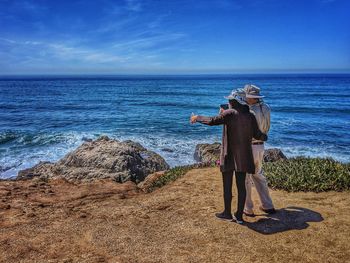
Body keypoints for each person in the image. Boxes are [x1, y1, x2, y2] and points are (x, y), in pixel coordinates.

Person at [190, 91, 267, 224]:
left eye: (230, 100)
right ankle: (239, 216)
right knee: (241, 186)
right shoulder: (250, 115)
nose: (229, 102)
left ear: (235, 101)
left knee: (227, 185)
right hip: (243, 156)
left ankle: (226, 213)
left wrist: (197, 118)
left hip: (228, 155)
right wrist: (264, 137)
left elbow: (212, 121)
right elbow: (258, 134)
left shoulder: (230, 114)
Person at [242, 84, 276, 216]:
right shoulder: (266, 108)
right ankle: (268, 205)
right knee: (259, 175)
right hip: (261, 145)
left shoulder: (248, 111)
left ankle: (248, 208)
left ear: (250, 97)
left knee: (245, 177)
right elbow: (267, 127)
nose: (244, 98)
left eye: (246, 96)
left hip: (249, 145)